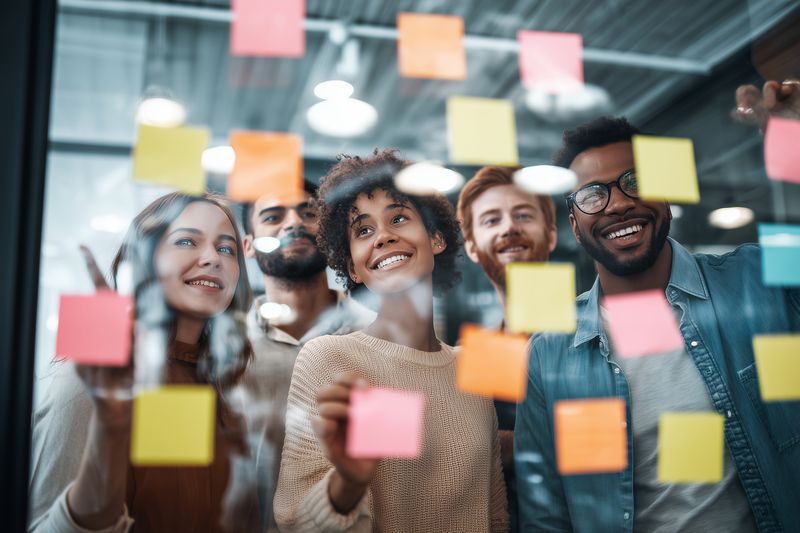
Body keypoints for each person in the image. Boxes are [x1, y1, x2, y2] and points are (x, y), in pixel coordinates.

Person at [514, 116, 800, 532]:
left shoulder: (757, 277)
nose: (617, 203)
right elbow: (546, 514)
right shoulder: (551, 351)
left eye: (635, 180)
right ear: (574, 224)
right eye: (592, 195)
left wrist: (791, 137)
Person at [273, 149, 509, 532]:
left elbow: (494, 515)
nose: (383, 236)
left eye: (398, 217)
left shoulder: (472, 369)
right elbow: (293, 519)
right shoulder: (328, 358)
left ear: (435, 238)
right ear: (352, 266)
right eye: (363, 230)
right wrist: (347, 484)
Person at [28, 192, 259, 532]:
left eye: (226, 248)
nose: (212, 258)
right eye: (187, 242)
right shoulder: (93, 378)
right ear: (145, 259)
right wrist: (109, 431)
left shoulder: (225, 385)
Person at [238, 180, 374, 530]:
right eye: (272, 216)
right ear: (248, 246)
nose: (293, 222)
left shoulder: (379, 336)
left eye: (308, 212)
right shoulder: (226, 345)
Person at [456, 165, 557, 533]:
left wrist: (498, 445)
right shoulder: (476, 352)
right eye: (491, 220)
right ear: (471, 247)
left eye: (522, 215)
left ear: (551, 235)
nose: (508, 228)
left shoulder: (601, 327)